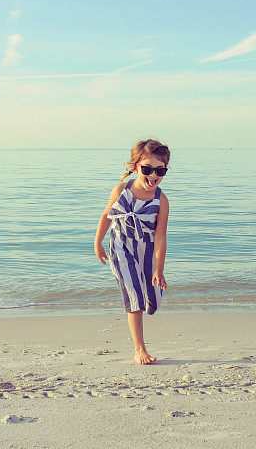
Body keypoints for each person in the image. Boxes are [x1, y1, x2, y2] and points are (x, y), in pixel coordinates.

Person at [94, 138, 170, 365]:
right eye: (147, 169)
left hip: (146, 251)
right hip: (121, 249)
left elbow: (160, 237)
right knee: (134, 297)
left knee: (151, 300)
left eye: (160, 171)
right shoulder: (121, 191)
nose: (153, 175)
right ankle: (139, 349)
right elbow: (105, 217)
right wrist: (97, 243)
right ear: (136, 167)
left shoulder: (161, 201)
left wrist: (159, 269)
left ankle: (149, 299)